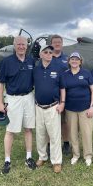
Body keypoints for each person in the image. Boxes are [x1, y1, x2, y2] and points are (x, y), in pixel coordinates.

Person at [0, 36, 37, 174]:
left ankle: (29, 157)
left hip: (28, 97)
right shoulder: (6, 62)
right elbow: (0, 83)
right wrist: (0, 102)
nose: (21, 46)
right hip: (13, 99)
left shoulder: (32, 61)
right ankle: (7, 160)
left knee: (28, 128)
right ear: (14, 46)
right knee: (10, 130)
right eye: (19, 44)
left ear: (27, 46)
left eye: (23, 44)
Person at [60, 52, 93, 166]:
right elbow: (63, 91)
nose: (74, 61)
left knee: (86, 133)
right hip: (70, 109)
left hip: (85, 109)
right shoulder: (65, 75)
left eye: (77, 59)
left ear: (80, 61)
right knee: (73, 134)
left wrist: (92, 106)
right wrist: (63, 104)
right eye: (72, 59)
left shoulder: (86, 73)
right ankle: (75, 155)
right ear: (69, 61)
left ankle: (88, 156)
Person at [33, 45, 65, 173]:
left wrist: (62, 103)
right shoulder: (35, 70)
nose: (48, 54)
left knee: (54, 135)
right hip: (39, 107)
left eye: (50, 52)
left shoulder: (58, 69)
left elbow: (62, 88)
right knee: (40, 134)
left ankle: (56, 161)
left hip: (53, 107)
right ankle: (42, 157)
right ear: (40, 55)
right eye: (45, 52)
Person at [50, 34, 71, 155]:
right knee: (49, 122)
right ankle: (49, 144)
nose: (57, 44)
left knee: (64, 121)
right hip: (50, 96)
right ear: (51, 44)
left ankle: (66, 143)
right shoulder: (47, 57)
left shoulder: (67, 59)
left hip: (64, 95)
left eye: (59, 42)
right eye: (55, 42)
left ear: (62, 44)